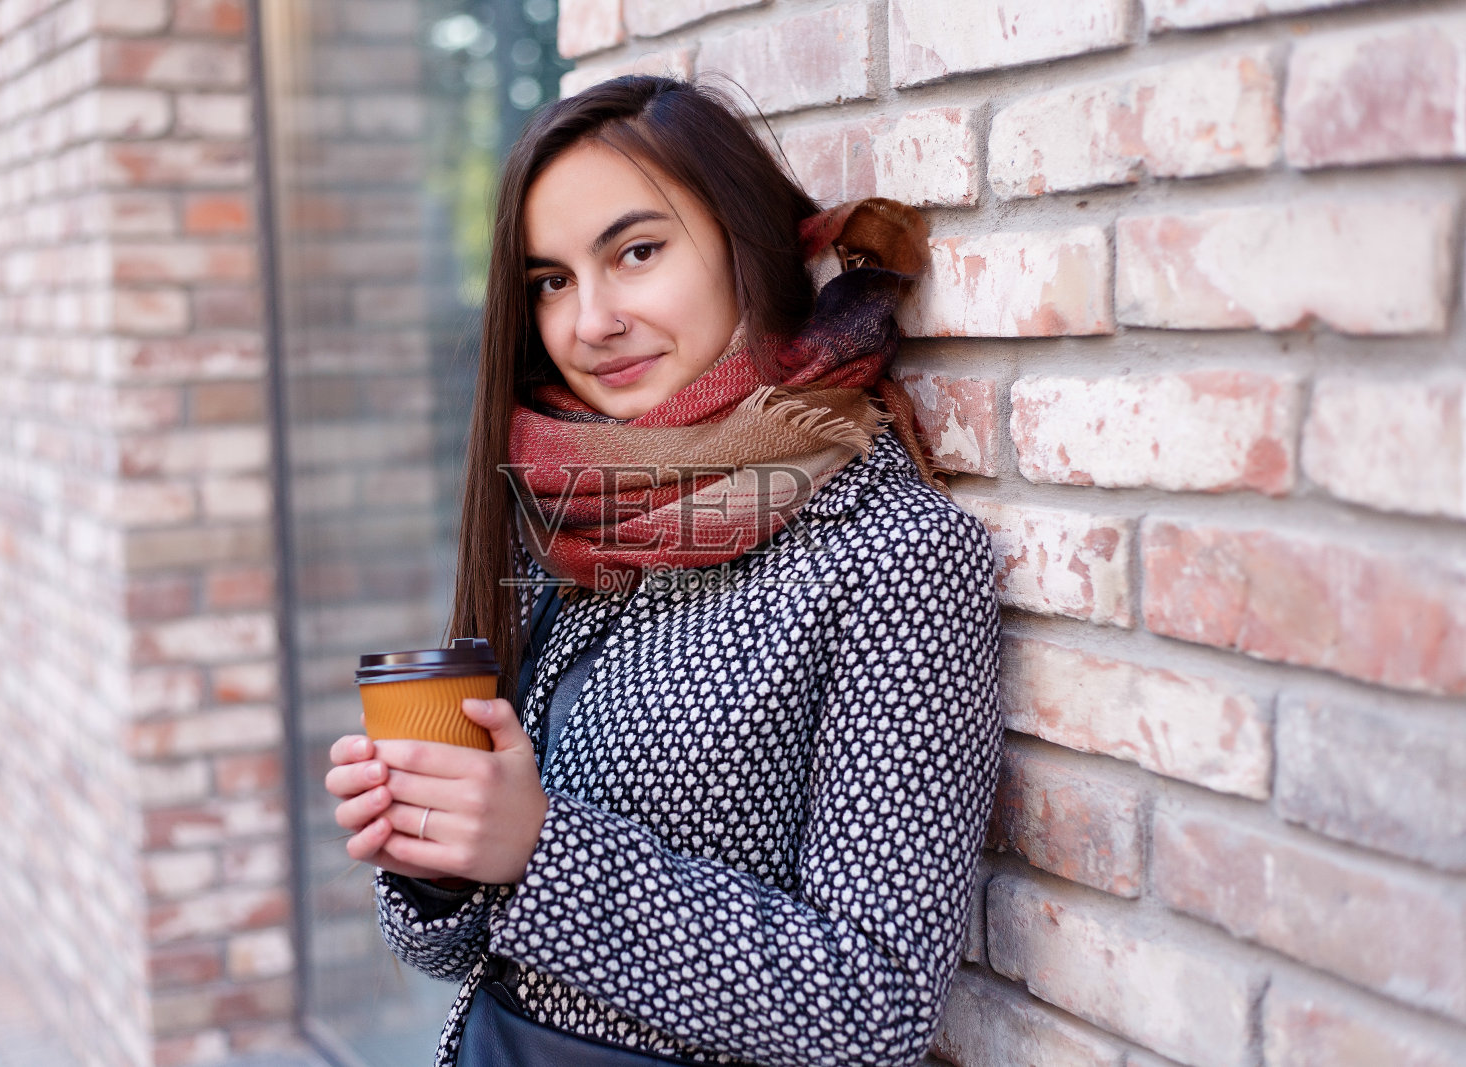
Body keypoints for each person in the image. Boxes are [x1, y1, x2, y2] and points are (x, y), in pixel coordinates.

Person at [323, 75, 1001, 1067]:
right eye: (549, 280)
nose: (589, 320)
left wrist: (538, 849)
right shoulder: (575, 505)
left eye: (635, 252)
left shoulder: (888, 554)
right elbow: (458, 950)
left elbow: (875, 1005)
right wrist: (435, 853)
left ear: (749, 248)